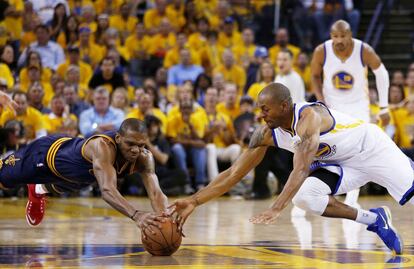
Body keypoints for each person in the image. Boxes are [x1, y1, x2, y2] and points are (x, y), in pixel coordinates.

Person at [169, 82, 411, 255]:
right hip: (342, 164)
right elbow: (233, 173)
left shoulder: (309, 118)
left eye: (265, 109)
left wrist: (276, 208)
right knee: (305, 198)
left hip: (373, 149)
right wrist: (194, 201)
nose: (260, 115)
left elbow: (301, 170)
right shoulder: (266, 133)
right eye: (259, 109)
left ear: (284, 106)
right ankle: (375, 219)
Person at [0, 118, 169, 233]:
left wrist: (165, 220)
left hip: (78, 178)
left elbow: (155, 193)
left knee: (83, 180)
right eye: (130, 144)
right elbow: (108, 191)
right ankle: (35, 186)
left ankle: (37, 190)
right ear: (118, 138)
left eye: (140, 145)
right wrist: (137, 215)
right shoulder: (103, 146)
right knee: (2, 180)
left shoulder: (145, 157)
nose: (135, 150)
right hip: (45, 156)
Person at [310, 20, 391, 206]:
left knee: (358, 151)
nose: (339, 40)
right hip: (332, 106)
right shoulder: (322, 51)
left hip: (358, 106)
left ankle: (352, 197)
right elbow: (314, 75)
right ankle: (331, 188)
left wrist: (384, 107)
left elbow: (382, 73)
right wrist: (320, 99)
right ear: (331, 36)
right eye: (335, 36)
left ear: (350, 34)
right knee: (329, 149)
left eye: (343, 36)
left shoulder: (364, 50)